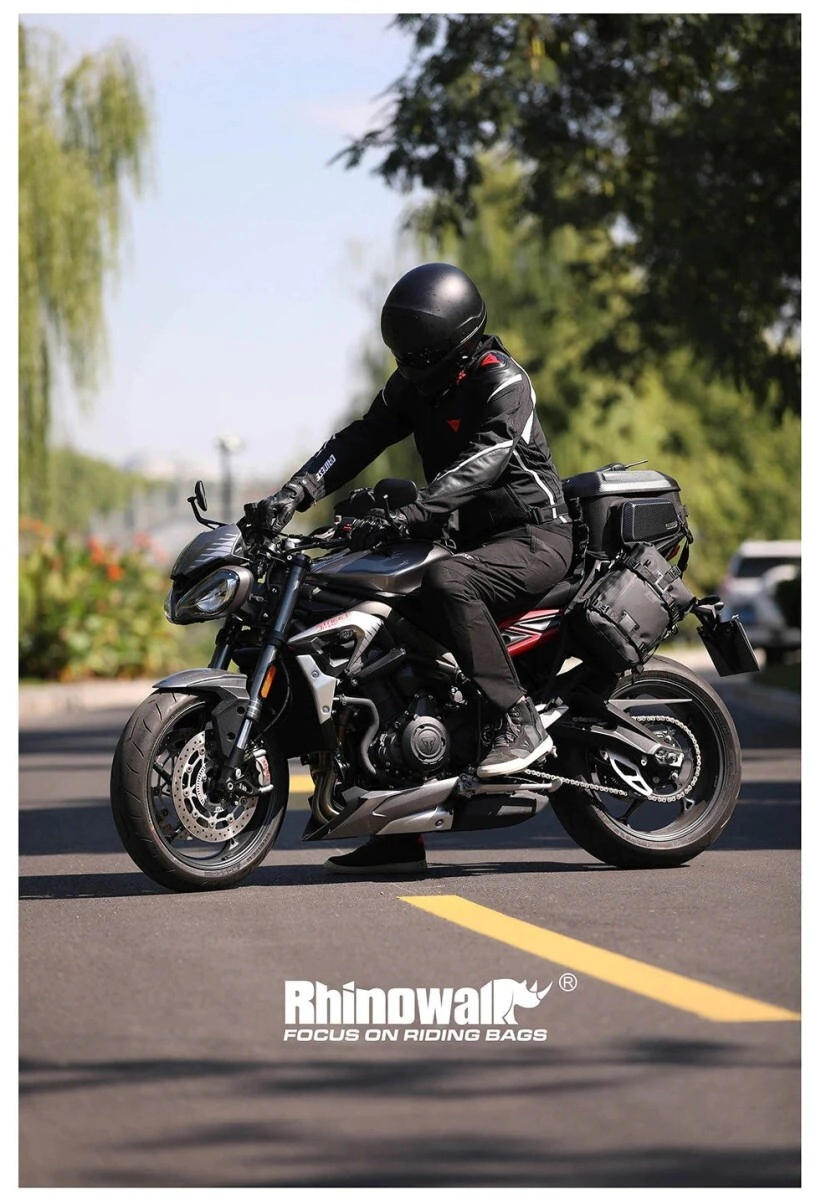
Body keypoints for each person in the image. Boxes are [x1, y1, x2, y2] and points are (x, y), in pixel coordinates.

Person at [256, 263, 573, 876]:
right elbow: (359, 438)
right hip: (470, 542)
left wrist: (411, 515)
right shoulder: (414, 384)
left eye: (422, 356)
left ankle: (517, 719)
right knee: (371, 638)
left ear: (459, 341)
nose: (412, 367)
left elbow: (483, 461)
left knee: (447, 580)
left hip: (534, 538)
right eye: (404, 356)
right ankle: (397, 829)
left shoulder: (503, 381)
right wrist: (293, 494)